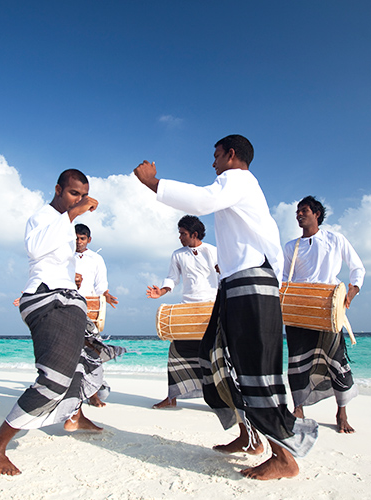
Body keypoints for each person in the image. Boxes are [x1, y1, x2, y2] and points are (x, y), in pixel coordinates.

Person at [134, 134, 318, 480]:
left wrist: (154, 184)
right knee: (216, 358)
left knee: (255, 368)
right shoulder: (236, 186)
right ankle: (250, 438)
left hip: (252, 284)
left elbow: (203, 200)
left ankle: (284, 457)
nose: (213, 162)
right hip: (235, 285)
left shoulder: (239, 179)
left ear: (231, 155)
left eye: (216, 155)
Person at [0, 169, 103, 477]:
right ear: (58, 189)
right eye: (74, 193)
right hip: (47, 300)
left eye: (83, 196)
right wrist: (72, 213)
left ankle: (74, 415)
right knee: (53, 379)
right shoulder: (42, 216)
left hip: (68, 299)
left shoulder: (65, 224)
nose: (80, 200)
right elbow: (35, 250)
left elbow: (53, 259)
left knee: (81, 364)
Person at [283, 195, 365, 434]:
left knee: (336, 359)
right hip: (298, 309)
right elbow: (283, 279)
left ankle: (342, 411)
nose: (299, 214)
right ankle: (298, 407)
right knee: (297, 360)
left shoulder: (335, 239)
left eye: (304, 210)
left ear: (317, 214)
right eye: (297, 211)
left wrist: (352, 291)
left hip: (328, 308)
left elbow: (357, 267)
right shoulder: (291, 246)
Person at [147, 215, 218, 409]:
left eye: (183, 234)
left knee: (214, 356)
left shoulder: (213, 251)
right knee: (176, 353)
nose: (180, 237)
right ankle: (172, 398)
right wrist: (160, 291)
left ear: (194, 234)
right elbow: (172, 278)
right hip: (186, 309)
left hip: (210, 308)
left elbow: (225, 274)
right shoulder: (177, 254)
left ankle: (220, 400)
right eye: (179, 233)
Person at [74, 223, 123, 407]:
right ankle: (73, 391)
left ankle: (93, 391)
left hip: (89, 309)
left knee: (93, 351)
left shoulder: (96, 258)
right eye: (75, 238)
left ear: (89, 240)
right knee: (69, 352)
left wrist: (107, 295)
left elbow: (101, 285)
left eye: (82, 238)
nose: (78, 242)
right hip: (67, 306)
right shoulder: (62, 257)